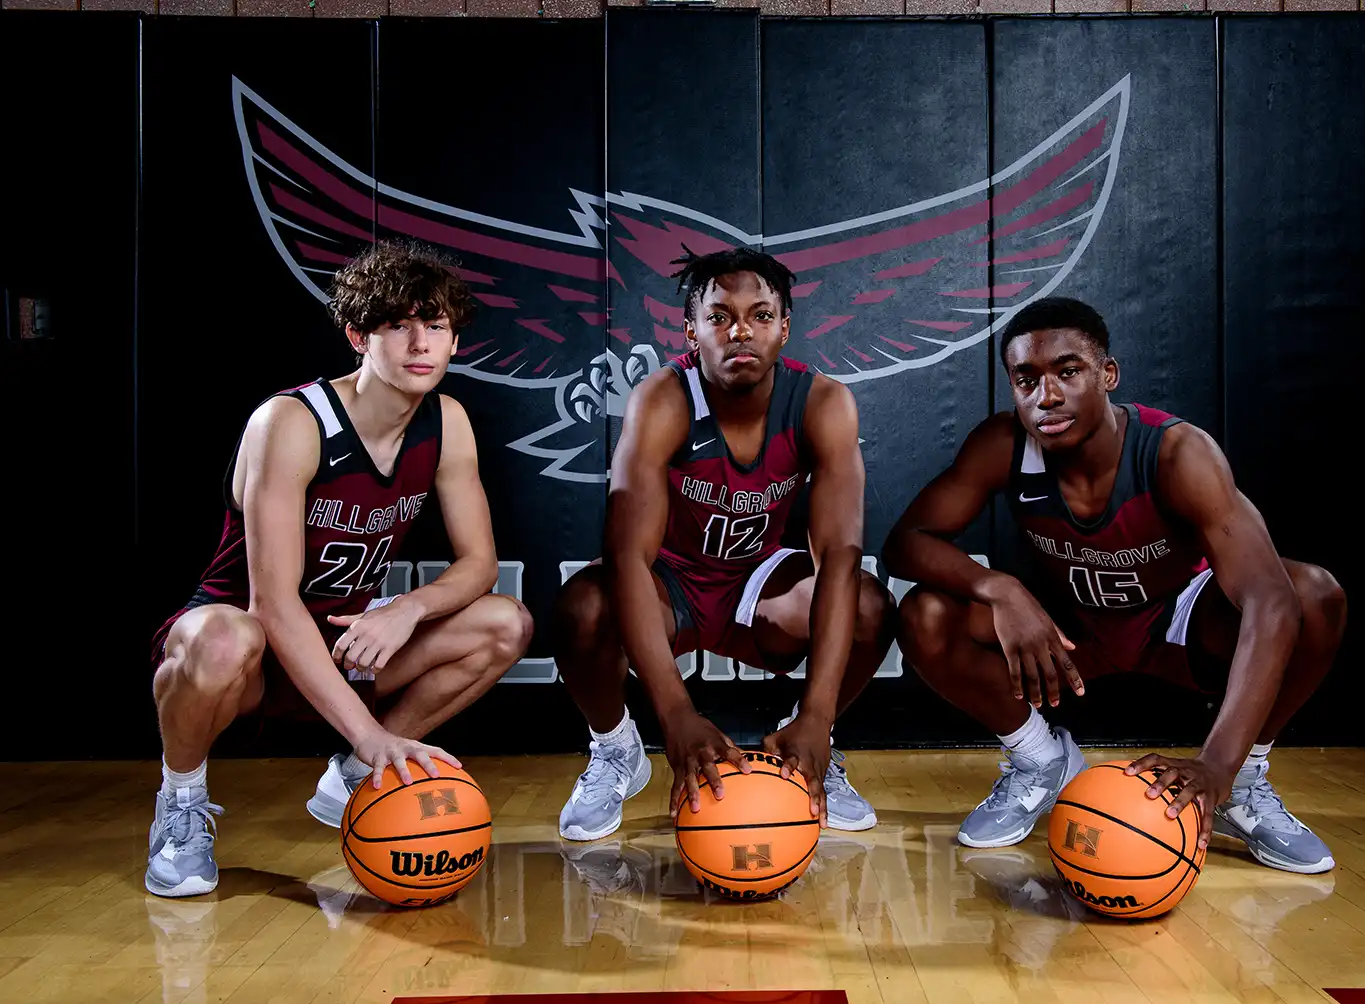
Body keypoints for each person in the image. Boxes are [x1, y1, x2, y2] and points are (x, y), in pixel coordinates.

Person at [884, 296, 1346, 874]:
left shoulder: (1176, 452)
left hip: (1177, 619)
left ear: (1108, 374)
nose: (1046, 396)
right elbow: (907, 542)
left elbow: (1270, 601)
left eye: (1067, 372)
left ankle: (1243, 783)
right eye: (1026, 380)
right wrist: (999, 588)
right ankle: (1041, 761)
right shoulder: (1004, 444)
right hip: (1070, 629)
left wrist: (1219, 763)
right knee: (926, 614)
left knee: (1312, 595)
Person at [145, 240, 533, 897]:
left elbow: (480, 565)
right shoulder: (292, 421)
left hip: (341, 646)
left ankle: (356, 773)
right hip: (249, 653)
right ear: (358, 336)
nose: (420, 343)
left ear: (455, 340)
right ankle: (180, 804)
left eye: (435, 326)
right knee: (222, 636)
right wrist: (370, 730)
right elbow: (271, 604)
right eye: (398, 325)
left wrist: (406, 608)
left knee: (505, 623)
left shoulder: (447, 422)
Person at [552, 247, 896, 841]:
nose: (741, 331)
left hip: (760, 583)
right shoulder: (663, 399)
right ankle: (615, 749)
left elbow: (838, 557)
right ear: (691, 330)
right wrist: (677, 716)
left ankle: (809, 744)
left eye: (760, 315)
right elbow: (628, 557)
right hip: (672, 582)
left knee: (868, 605)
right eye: (719, 316)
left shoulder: (821, 402)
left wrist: (819, 716)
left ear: (784, 327)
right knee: (584, 606)